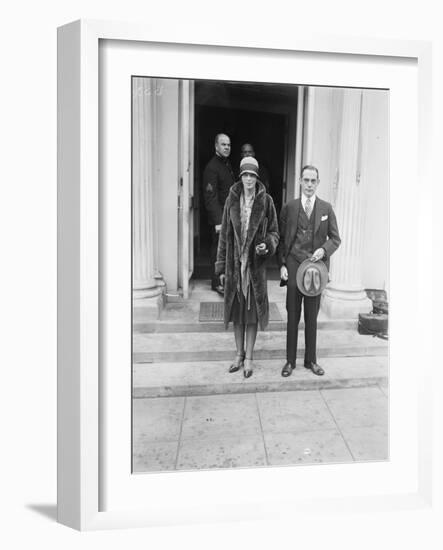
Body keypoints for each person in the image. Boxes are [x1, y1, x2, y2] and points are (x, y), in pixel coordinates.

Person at [215, 156, 279, 378]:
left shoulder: (267, 201)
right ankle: (238, 354)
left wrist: (266, 245)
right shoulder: (231, 200)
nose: (249, 179)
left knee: (251, 316)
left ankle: (250, 357)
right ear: (240, 176)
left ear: (257, 177)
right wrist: (221, 268)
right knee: (237, 314)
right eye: (245, 175)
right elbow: (224, 236)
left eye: (253, 175)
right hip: (235, 267)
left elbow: (274, 233)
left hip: (254, 269)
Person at [277, 165, 341, 377]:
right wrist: (283, 265)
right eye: (306, 180)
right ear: (300, 182)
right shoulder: (290, 207)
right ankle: (289, 362)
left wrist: (324, 250)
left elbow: (335, 238)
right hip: (295, 265)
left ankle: (311, 360)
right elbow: (282, 240)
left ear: (318, 182)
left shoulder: (326, 208)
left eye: (313, 181)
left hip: (316, 269)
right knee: (293, 314)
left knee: (312, 316)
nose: (310, 185)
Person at [202, 133, 235, 295]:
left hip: (230, 216)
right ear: (216, 146)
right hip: (220, 219)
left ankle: (225, 280)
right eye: (223, 144)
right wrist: (218, 221)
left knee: (228, 251)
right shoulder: (212, 167)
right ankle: (217, 283)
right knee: (218, 251)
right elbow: (210, 197)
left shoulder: (226, 164)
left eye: (228, 145)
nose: (227, 147)